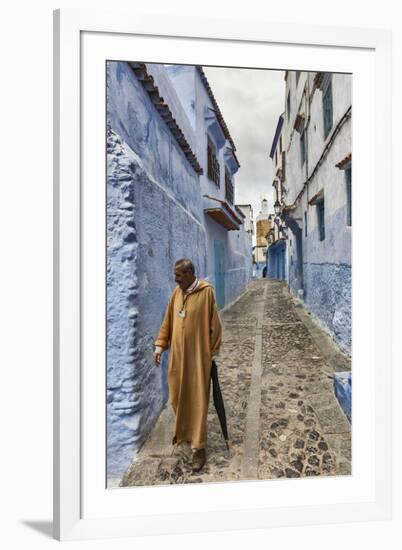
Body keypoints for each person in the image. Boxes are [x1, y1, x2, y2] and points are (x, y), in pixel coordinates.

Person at [153, 258, 222, 471]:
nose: (176, 281)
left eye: (179, 277)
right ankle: (184, 433)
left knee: (198, 401)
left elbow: (215, 326)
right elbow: (168, 321)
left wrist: (208, 353)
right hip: (177, 358)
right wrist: (160, 345)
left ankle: (198, 447)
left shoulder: (206, 292)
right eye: (175, 277)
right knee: (176, 397)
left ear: (191, 273)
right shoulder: (176, 293)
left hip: (198, 359)